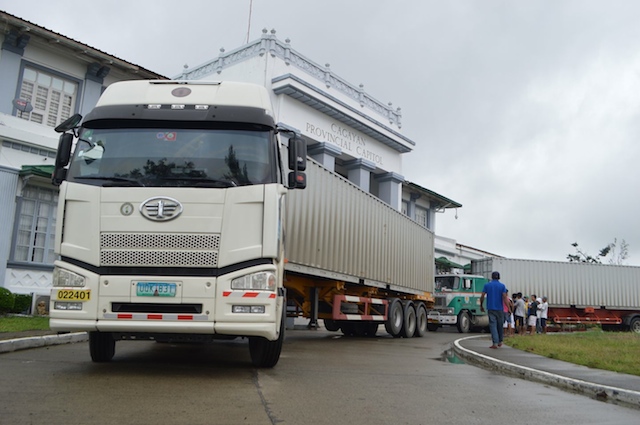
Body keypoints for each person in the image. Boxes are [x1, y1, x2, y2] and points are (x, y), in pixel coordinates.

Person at [480, 271, 510, 348]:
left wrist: (481, 305)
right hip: (500, 308)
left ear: (492, 277)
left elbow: (482, 295)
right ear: (499, 277)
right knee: (500, 325)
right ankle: (500, 341)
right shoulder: (502, 286)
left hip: (490, 307)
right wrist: (509, 307)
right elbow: (504, 297)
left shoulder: (487, 285)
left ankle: (495, 343)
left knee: (493, 325)